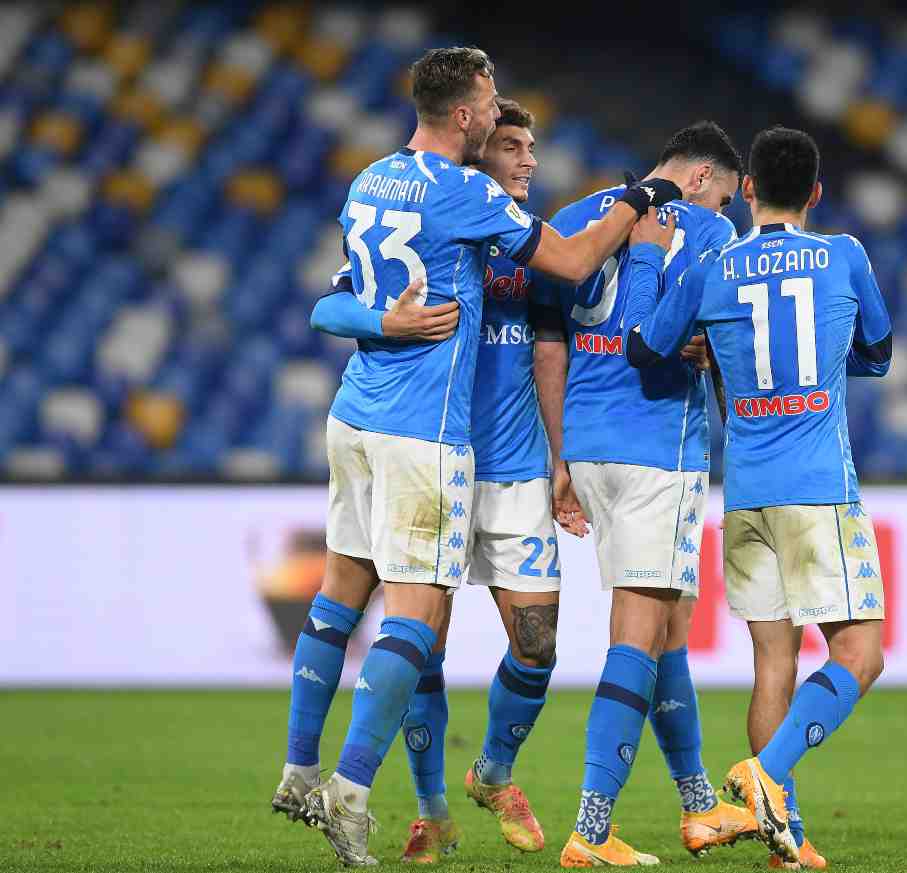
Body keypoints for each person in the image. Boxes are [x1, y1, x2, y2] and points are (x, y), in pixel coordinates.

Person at [271, 45, 681, 867]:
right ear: (467, 122)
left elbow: (340, 300)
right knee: (417, 623)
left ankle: (308, 770)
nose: (509, 129)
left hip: (387, 427)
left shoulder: (378, 182)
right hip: (429, 436)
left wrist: (565, 460)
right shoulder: (466, 200)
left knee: (390, 605)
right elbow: (331, 301)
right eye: (497, 117)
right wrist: (643, 195)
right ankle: (379, 796)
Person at [307, 97, 583, 862]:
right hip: (433, 456)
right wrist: (384, 323)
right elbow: (335, 301)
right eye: (512, 145)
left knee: (537, 644)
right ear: (477, 154)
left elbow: (551, 356)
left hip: (517, 469)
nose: (528, 159)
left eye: (532, 144)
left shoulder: (533, 247)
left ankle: (492, 772)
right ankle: (430, 808)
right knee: (422, 643)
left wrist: (563, 462)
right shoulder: (441, 227)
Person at [625, 126, 891, 866]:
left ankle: (786, 838)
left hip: (745, 493)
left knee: (773, 662)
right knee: (861, 655)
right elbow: (878, 348)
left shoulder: (716, 263)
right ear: (815, 192)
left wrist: (698, 340)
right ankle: (767, 773)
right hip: (819, 490)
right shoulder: (844, 255)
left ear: (747, 191)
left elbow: (647, 348)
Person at [532, 122, 759, 867]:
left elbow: (550, 343)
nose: (724, 206)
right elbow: (664, 332)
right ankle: (591, 830)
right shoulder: (710, 231)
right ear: (698, 179)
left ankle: (698, 803)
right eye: (722, 192)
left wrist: (560, 452)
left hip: (591, 446)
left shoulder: (576, 218)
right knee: (639, 630)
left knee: (667, 626)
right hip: (660, 445)